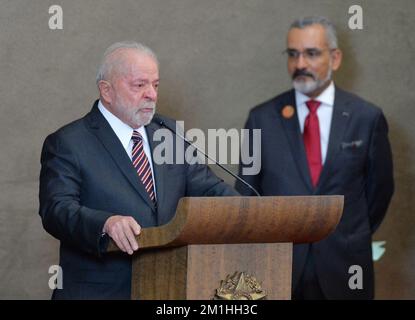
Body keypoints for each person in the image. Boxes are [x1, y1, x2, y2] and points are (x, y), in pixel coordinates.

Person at [39, 41, 239, 299]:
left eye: (155, 85)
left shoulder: (168, 133)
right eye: (139, 85)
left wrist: (253, 213)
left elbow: (210, 189)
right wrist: (105, 223)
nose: (152, 94)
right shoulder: (68, 142)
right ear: (106, 90)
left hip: (168, 290)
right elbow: (56, 209)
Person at [236, 16, 394, 299]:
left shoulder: (366, 118)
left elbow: (379, 192)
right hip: (278, 269)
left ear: (335, 58)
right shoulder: (261, 118)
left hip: (346, 268)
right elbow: (247, 193)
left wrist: (346, 232)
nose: (300, 65)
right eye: (293, 54)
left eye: (311, 54)